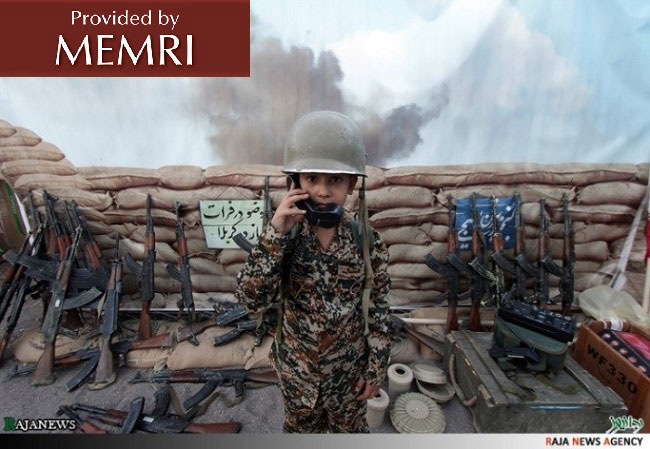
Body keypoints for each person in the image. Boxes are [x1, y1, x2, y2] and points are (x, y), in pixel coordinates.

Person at [234, 110, 391, 433]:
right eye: (312, 179)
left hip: (348, 378)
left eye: (334, 180)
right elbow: (252, 301)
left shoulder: (367, 241)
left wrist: (375, 372)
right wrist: (274, 235)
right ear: (295, 183)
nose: (322, 191)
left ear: (351, 184)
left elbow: (378, 310)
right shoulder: (284, 236)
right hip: (298, 376)